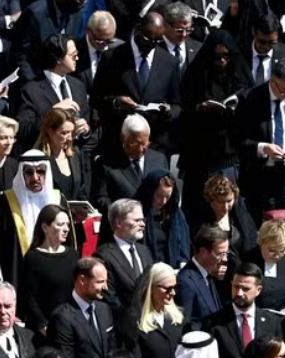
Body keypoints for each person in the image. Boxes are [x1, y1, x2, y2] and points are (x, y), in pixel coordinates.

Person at [91, 12, 182, 157]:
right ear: (138, 29)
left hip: (154, 145)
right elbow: (96, 99)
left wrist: (168, 111)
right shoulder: (113, 57)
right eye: (148, 39)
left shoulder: (169, 62)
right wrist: (116, 102)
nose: (151, 44)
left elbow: (177, 104)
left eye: (157, 41)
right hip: (119, 142)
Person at [178, 30, 252, 206]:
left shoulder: (238, 75)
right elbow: (184, 106)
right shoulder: (196, 75)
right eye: (217, 57)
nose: (222, 61)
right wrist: (199, 108)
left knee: (228, 201)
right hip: (200, 152)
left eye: (226, 56)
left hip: (230, 151)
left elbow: (250, 104)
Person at [204, 261, 283, 358]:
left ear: (258, 290)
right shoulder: (214, 323)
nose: (239, 293)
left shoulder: (271, 322)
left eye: (245, 289)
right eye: (235, 287)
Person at [235, 58, 285, 216]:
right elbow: (238, 140)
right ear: (272, 81)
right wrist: (264, 148)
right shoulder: (251, 99)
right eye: (284, 91)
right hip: (260, 174)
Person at [49, 257, 120, 358]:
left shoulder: (104, 309)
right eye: (100, 282)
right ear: (82, 280)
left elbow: (112, 350)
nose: (106, 287)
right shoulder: (62, 317)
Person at [0, 150, 68, 286]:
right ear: (21, 174)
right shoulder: (6, 201)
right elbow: (0, 244)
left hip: (53, 270)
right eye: (29, 172)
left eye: (40, 171)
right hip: (18, 272)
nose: (35, 177)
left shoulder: (58, 199)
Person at [15, 34, 92, 152]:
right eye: (72, 55)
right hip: (47, 154)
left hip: (75, 156)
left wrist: (85, 130)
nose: (77, 58)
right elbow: (23, 130)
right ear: (58, 59)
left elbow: (88, 122)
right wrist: (53, 112)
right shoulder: (31, 90)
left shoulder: (77, 85)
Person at [122, 262, 187, 358]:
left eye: (175, 287)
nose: (173, 293)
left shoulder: (179, 317)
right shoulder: (135, 321)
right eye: (167, 288)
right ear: (151, 288)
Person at [20, 204, 78, 333]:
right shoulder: (33, 258)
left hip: (70, 324)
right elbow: (28, 296)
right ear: (45, 227)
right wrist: (42, 324)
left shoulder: (72, 255)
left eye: (67, 225)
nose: (66, 229)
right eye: (60, 224)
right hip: (45, 328)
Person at [92, 115, 169, 213]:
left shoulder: (159, 160)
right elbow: (100, 199)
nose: (140, 149)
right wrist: (125, 212)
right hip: (122, 219)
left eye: (144, 144)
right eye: (135, 144)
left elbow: (168, 192)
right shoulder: (106, 164)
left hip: (153, 219)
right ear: (123, 138)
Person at [94, 198, 153, 308]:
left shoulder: (144, 251)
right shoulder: (104, 256)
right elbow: (109, 298)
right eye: (137, 220)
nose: (142, 224)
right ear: (119, 223)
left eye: (142, 220)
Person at [176, 224, 231, 325]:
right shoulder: (185, 282)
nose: (225, 259)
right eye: (220, 254)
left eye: (226, 253)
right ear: (203, 252)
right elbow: (185, 323)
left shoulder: (210, 275)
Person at [35, 108, 91, 205]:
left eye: (71, 132)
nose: (70, 138)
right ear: (50, 132)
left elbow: (82, 190)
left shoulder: (75, 155)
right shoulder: (38, 159)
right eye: (64, 133)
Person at [242, 219, 285, 311]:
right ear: (262, 242)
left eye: (282, 251)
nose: (277, 256)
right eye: (272, 250)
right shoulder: (246, 262)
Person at [200, 174, 259, 259]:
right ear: (211, 200)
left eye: (229, 201)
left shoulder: (243, 220)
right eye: (220, 202)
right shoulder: (200, 223)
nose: (225, 207)